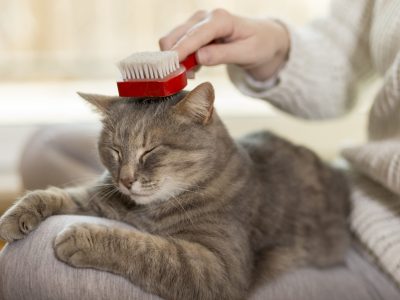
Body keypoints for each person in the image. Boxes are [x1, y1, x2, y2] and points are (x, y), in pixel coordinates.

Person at [1, 0, 400, 299]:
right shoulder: (144, 168)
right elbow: (345, 51)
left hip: (370, 251)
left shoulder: (226, 194)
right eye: (117, 156)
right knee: (45, 147)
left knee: (37, 255)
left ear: (201, 117)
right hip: (366, 188)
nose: (124, 178)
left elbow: (217, 280)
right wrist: (277, 45)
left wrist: (112, 245)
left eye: (147, 156)